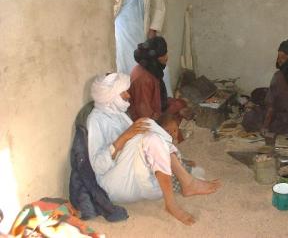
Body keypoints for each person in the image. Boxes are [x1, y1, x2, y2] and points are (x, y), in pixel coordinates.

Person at [87, 73, 220, 225]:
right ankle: (173, 201)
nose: (128, 95)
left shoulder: (118, 114)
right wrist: (124, 137)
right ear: (110, 96)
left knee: (147, 124)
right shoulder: (95, 120)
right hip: (114, 183)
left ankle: (184, 178)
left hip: (129, 170)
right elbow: (98, 166)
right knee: (148, 137)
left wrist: (131, 135)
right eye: (123, 92)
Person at [113, 0, 172, 96]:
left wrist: (154, 27)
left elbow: (159, 1)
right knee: (131, 66)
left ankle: (160, 102)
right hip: (123, 26)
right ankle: (135, 104)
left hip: (143, 24)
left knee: (156, 64)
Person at [128, 36, 192, 142]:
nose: (167, 57)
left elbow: (158, 98)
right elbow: (145, 115)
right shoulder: (143, 79)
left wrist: (177, 106)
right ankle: (171, 140)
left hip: (155, 108)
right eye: (163, 55)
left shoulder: (150, 68)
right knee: (174, 117)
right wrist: (168, 118)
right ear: (155, 58)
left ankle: (174, 133)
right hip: (145, 119)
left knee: (181, 104)